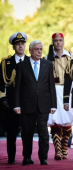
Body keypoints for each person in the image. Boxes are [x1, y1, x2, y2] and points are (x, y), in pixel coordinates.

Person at [14, 40, 57, 165]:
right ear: (30, 50)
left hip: (44, 104)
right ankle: (27, 157)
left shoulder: (48, 64)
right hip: (27, 104)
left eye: (41, 49)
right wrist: (17, 105)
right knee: (27, 132)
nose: (39, 51)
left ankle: (43, 157)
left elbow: (51, 86)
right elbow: (18, 88)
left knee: (44, 133)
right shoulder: (22, 65)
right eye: (37, 49)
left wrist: (53, 104)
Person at [0, 32, 29, 164]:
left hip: (28, 101)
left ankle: (27, 157)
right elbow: (1, 82)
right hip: (11, 102)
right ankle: (11, 157)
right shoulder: (6, 63)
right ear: (13, 47)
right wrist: (3, 98)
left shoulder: (30, 61)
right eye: (17, 44)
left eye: (22, 44)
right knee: (11, 132)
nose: (20, 46)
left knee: (27, 132)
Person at [46, 32, 73, 160]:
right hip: (54, 90)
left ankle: (64, 147)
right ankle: (57, 149)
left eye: (60, 40)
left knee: (67, 119)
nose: (58, 43)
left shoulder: (71, 57)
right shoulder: (47, 58)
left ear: (63, 41)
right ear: (53, 42)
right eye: (56, 40)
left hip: (68, 90)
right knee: (55, 119)